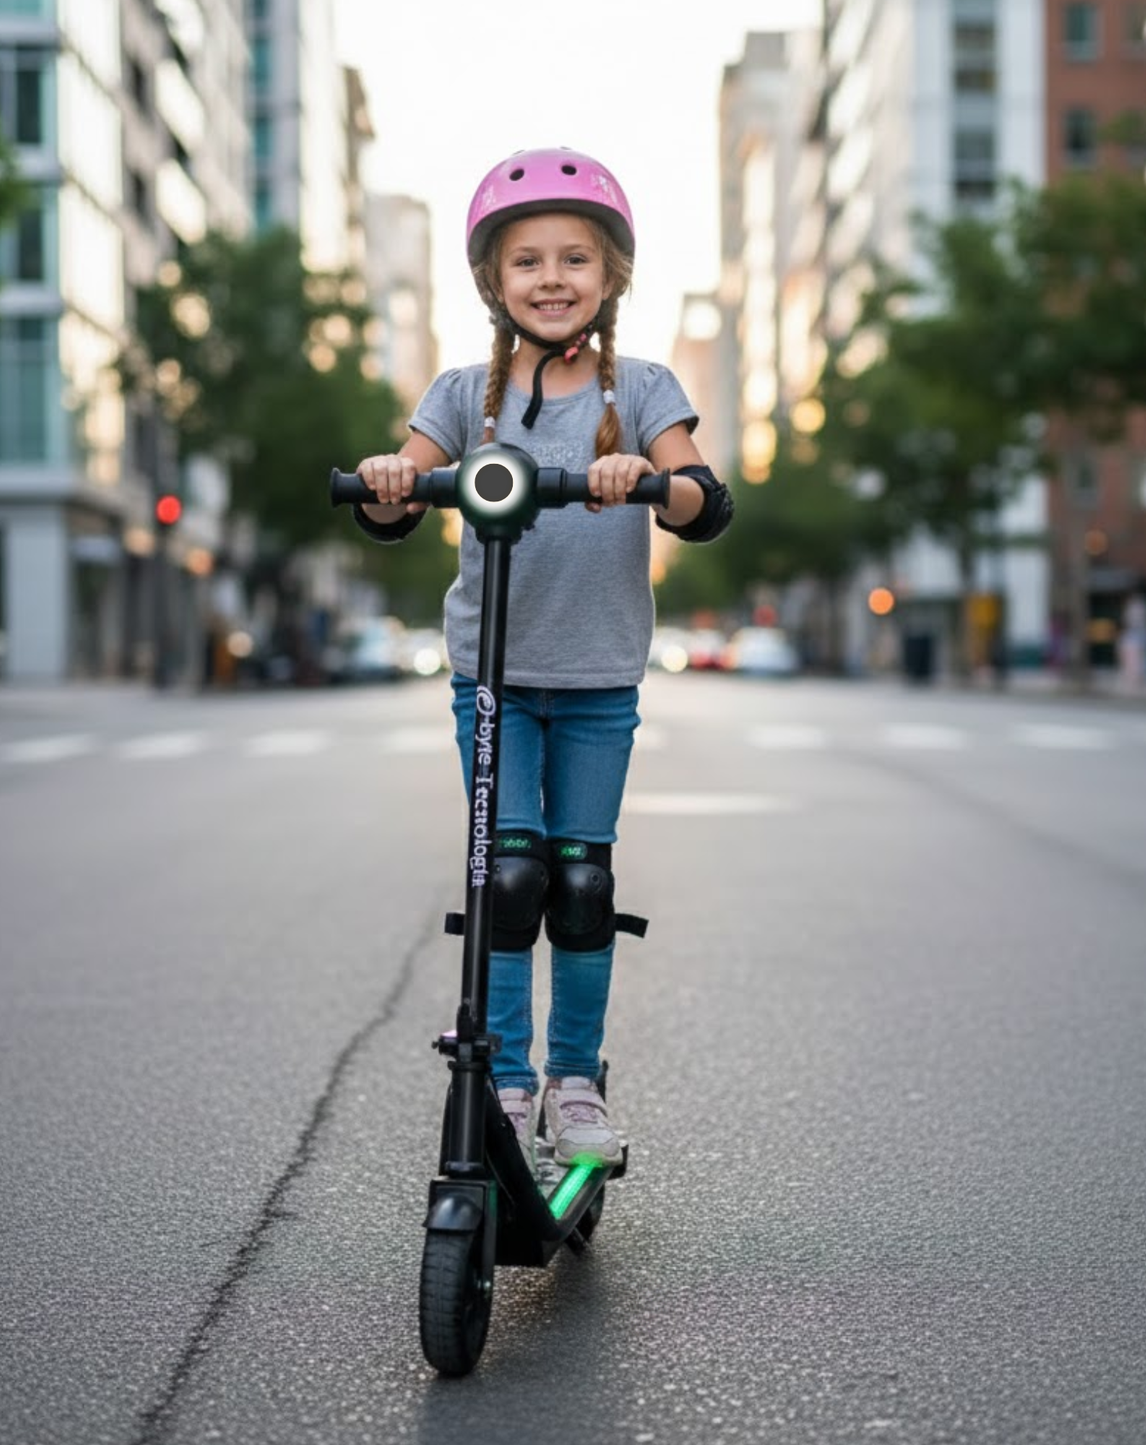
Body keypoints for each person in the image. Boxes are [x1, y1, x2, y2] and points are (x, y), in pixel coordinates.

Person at [351, 147, 733, 1170]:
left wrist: (645, 475)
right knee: (508, 877)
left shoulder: (642, 389)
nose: (551, 278)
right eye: (527, 260)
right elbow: (394, 504)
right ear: (493, 279)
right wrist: (389, 478)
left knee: (579, 882)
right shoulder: (459, 395)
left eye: (574, 258)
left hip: (598, 677)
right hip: (493, 680)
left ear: (610, 276)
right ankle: (507, 1082)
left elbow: (702, 501)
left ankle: (573, 1082)